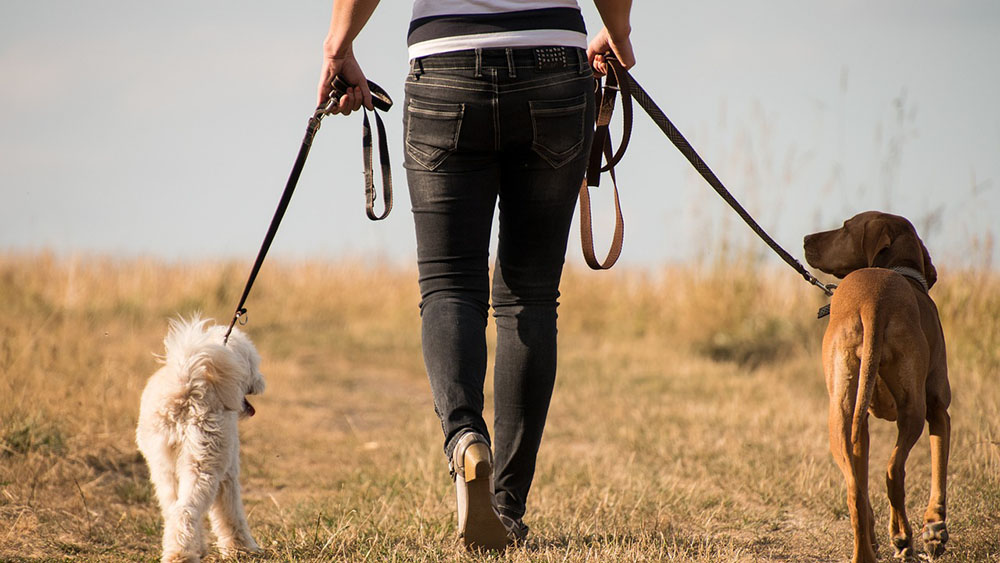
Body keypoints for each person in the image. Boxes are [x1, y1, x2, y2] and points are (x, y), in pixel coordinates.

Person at [318, 0, 635, 551]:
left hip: (445, 65)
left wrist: (338, 44)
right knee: (530, 296)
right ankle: (506, 508)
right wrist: (617, 28)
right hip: (553, 63)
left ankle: (465, 436)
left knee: (449, 284)